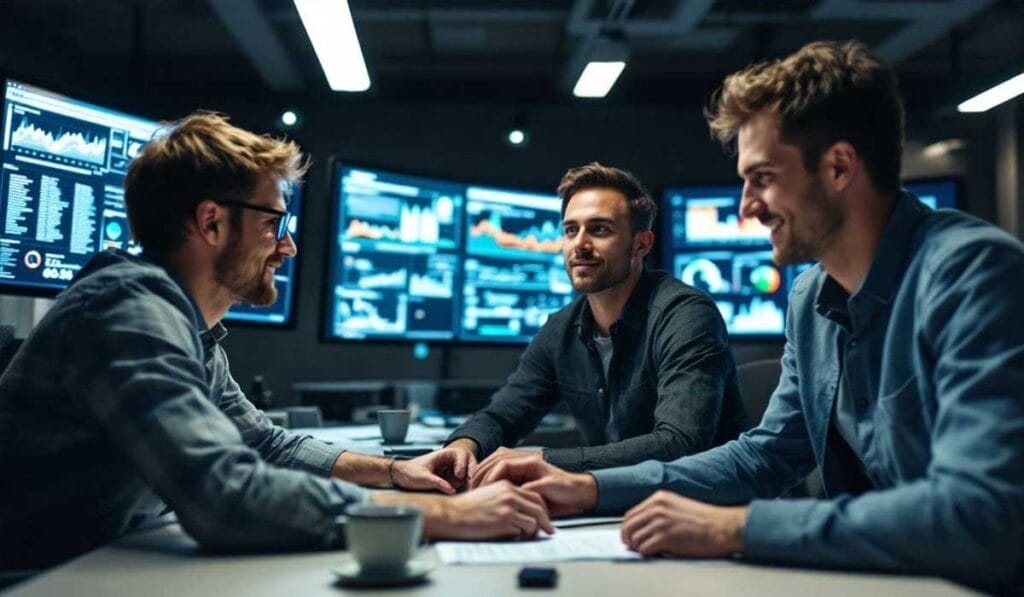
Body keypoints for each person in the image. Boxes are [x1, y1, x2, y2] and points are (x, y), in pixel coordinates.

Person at [476, 41, 1024, 591]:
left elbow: (979, 514)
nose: (746, 207)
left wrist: (740, 527)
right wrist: (593, 488)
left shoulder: (974, 276)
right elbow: (765, 456)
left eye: (761, 177)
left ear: (838, 167)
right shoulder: (811, 299)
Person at [0, 112, 552, 570]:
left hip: (100, 566)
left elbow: (267, 444)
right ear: (211, 223)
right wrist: (449, 517)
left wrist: (396, 472)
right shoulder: (125, 310)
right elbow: (225, 498)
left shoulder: (186, 327)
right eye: (274, 223)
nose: (286, 248)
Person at [437, 163, 747, 488]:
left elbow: (679, 443)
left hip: (705, 508)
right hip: (615, 507)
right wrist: (464, 446)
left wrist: (542, 461)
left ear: (642, 244)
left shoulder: (686, 316)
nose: (580, 244)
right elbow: (504, 414)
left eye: (599, 229)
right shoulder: (561, 328)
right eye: (571, 230)